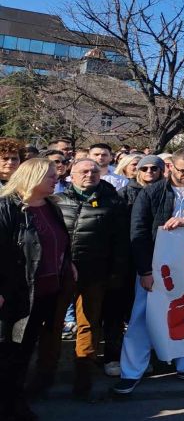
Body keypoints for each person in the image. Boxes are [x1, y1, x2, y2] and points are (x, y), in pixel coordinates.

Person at [113, 149, 184, 395]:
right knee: (142, 318)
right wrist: (144, 271)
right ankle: (132, 372)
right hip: (155, 264)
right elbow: (139, 233)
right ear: (170, 168)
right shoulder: (151, 193)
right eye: (183, 170)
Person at [0, 159, 74, 420]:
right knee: (8, 355)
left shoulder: (50, 207)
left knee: (23, 354)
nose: (57, 178)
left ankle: (15, 404)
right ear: (33, 176)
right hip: (14, 296)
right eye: (51, 176)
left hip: (46, 293)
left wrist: (68, 264)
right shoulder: (7, 208)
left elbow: (59, 242)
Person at [50, 158, 127, 397]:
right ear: (71, 175)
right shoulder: (56, 202)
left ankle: (83, 373)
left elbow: (120, 242)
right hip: (60, 274)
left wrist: (116, 272)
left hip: (95, 273)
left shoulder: (113, 202)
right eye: (83, 171)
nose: (89, 175)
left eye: (94, 171)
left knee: (88, 323)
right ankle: (45, 372)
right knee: (52, 324)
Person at [103, 155, 165, 379]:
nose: (150, 171)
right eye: (145, 168)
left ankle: (142, 357)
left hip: (153, 260)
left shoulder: (166, 193)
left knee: (145, 313)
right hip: (125, 261)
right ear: (135, 171)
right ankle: (112, 356)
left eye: (155, 168)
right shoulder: (123, 195)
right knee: (118, 310)